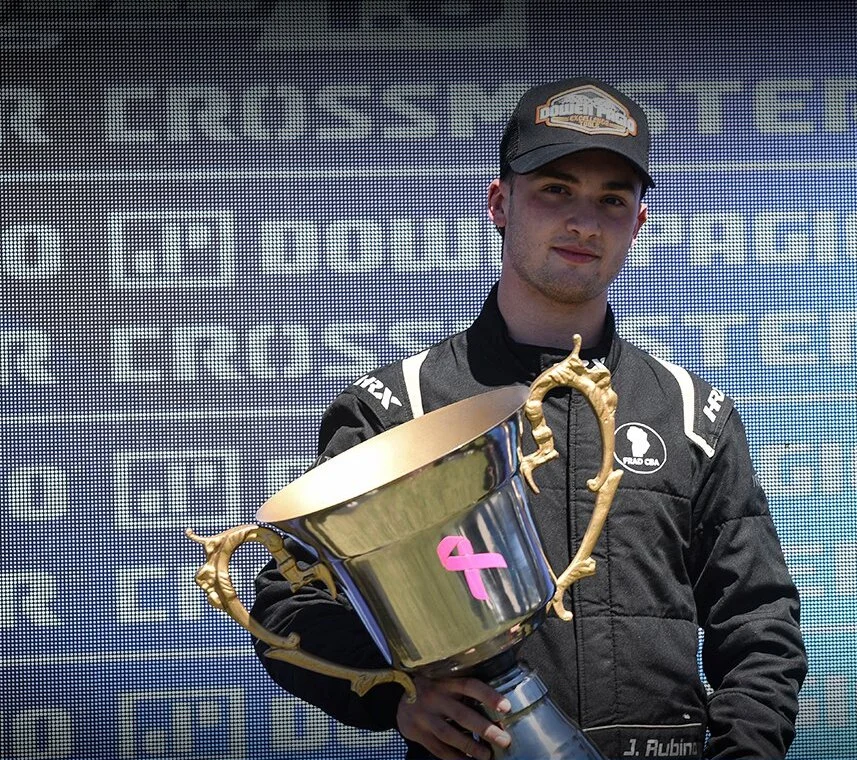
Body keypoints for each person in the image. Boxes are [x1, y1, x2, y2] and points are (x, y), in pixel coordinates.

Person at [250, 77, 807, 760]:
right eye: (555, 190)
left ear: (638, 223)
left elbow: (758, 623)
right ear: (499, 204)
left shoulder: (690, 410)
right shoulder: (403, 408)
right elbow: (291, 598)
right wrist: (397, 694)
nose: (584, 222)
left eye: (612, 200)